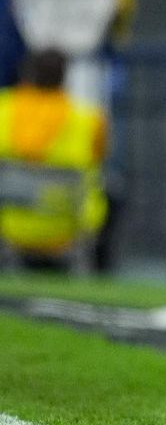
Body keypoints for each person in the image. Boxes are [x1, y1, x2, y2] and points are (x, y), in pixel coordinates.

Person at [0, 48, 108, 267]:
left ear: (27, 74)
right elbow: (99, 160)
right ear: (65, 77)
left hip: (10, 224)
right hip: (65, 226)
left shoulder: (4, 109)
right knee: (111, 189)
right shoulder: (88, 118)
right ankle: (103, 271)